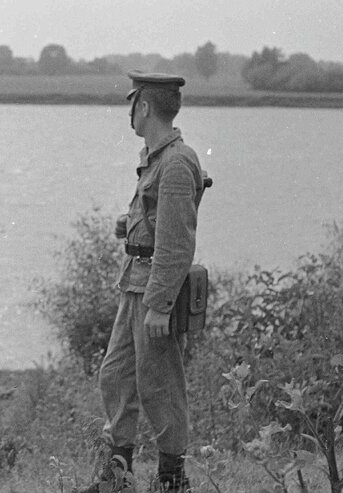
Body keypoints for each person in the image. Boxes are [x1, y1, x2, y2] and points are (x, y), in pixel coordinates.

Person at [82, 71, 207, 493]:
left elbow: (176, 243)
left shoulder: (175, 163)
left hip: (153, 289)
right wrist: (130, 225)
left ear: (146, 106)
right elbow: (159, 222)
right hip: (134, 283)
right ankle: (117, 476)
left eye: (132, 102)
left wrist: (160, 304)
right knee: (115, 375)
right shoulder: (157, 157)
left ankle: (172, 480)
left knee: (160, 386)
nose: (129, 112)